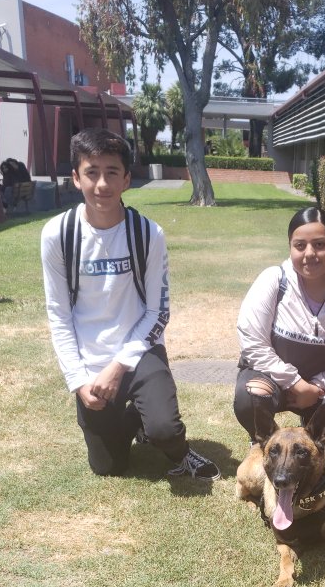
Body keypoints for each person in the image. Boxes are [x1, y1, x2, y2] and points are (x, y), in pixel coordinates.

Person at [41, 127, 220, 481]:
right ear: (76, 178)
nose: (102, 184)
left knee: (164, 430)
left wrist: (119, 365)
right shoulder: (58, 234)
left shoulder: (147, 234)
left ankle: (175, 445)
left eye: (112, 172)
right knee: (109, 467)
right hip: (90, 360)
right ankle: (133, 418)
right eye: (92, 172)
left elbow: (158, 312)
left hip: (140, 351)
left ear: (126, 179)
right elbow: (59, 316)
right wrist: (78, 381)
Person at [235, 206, 325, 449]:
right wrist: (295, 383)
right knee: (250, 397)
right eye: (300, 245)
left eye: (320, 244)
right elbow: (253, 343)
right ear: (290, 247)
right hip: (274, 380)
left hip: (323, 388)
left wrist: (316, 388)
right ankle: (262, 442)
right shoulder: (274, 280)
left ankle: (312, 425)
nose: (309, 253)